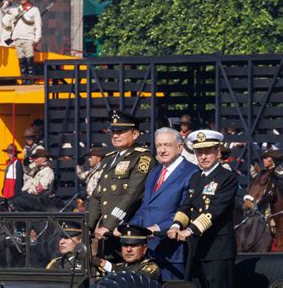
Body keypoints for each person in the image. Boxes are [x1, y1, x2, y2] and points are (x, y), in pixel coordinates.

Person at [167, 129, 238, 288]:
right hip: (196, 248)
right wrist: (176, 225)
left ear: (218, 152)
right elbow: (186, 205)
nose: (203, 157)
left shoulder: (227, 177)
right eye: (199, 153)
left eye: (207, 152)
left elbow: (214, 210)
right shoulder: (195, 177)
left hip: (218, 250)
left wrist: (190, 230)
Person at [129, 127, 199, 280]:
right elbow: (145, 207)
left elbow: (187, 210)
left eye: (166, 145)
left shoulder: (192, 172)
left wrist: (158, 228)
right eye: (159, 145)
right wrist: (131, 227)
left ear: (180, 147)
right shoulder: (155, 172)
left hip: (173, 251)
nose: (162, 150)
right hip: (149, 251)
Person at [88, 110, 155, 240]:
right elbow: (97, 195)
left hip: (127, 228)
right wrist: (88, 226)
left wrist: (109, 225)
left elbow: (132, 196)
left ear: (135, 134)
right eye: (113, 132)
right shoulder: (109, 159)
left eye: (121, 132)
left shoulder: (142, 158)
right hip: (105, 231)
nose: (115, 136)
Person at [94, 224, 160, 281]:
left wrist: (107, 266)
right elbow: (118, 270)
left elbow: (131, 280)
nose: (128, 249)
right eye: (125, 245)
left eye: (133, 245)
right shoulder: (122, 266)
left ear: (145, 248)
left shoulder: (151, 267)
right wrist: (99, 262)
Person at [3, 0, 42, 85]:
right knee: (21, 60)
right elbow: (3, 9)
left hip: (29, 38)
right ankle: (24, 79)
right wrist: (9, 1)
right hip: (17, 38)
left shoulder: (34, 10)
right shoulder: (15, 8)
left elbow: (38, 25)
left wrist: (37, 38)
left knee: (29, 60)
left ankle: (30, 80)